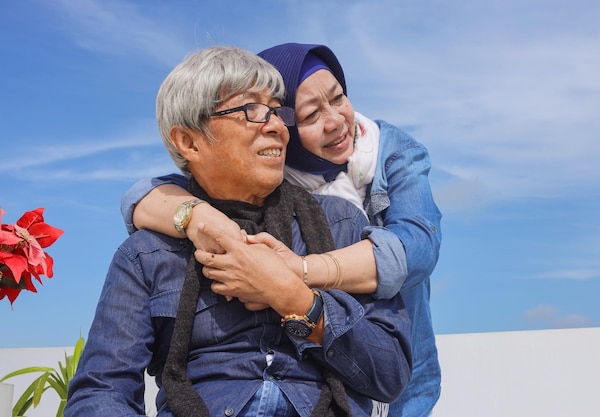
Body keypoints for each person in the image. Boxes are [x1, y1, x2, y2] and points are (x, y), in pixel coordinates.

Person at [65, 46, 412, 417]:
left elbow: (390, 374)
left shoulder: (342, 224)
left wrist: (295, 297)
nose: (278, 126)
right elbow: (102, 391)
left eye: (277, 110)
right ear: (189, 142)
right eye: (251, 111)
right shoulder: (148, 253)